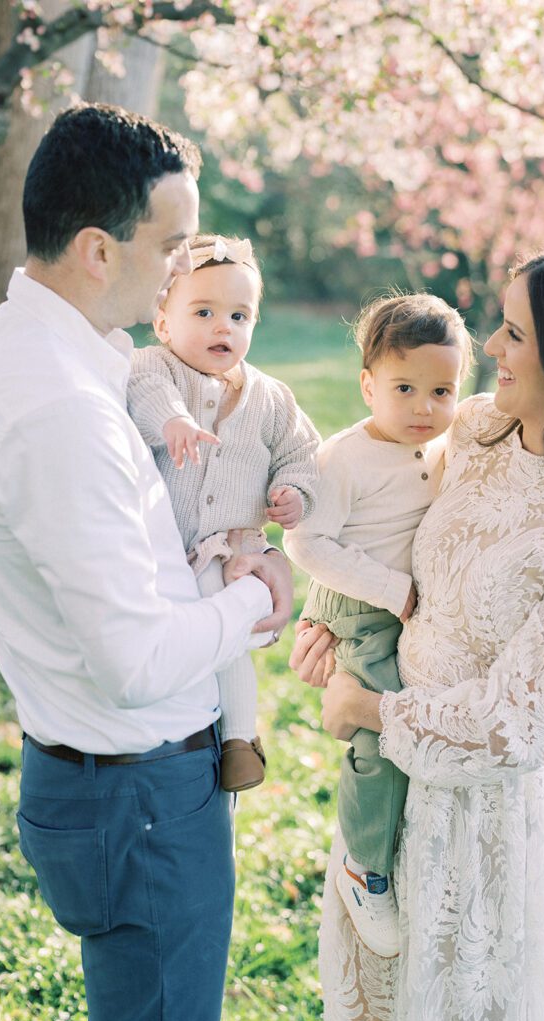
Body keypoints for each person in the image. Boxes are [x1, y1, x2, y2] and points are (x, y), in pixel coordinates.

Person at [0, 103, 293, 1021]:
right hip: (139, 795)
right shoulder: (58, 406)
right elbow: (136, 663)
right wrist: (254, 596)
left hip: (129, 785)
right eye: (175, 245)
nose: (187, 266)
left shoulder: (51, 349)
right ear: (100, 250)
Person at [290, 241, 544, 1021]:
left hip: (490, 817)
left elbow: (513, 725)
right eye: (500, 325)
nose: (490, 347)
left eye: (516, 334)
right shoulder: (474, 429)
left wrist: (365, 711)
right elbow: (380, 526)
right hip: (391, 786)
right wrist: (326, 616)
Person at [284, 293, 472, 957]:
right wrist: (392, 590)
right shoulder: (345, 458)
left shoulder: (444, 445)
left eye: (442, 390)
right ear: (368, 386)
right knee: (377, 728)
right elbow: (306, 544)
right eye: (404, 388)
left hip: (402, 604)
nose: (425, 407)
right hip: (357, 606)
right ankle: (365, 866)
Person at [127, 232, 319, 792]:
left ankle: (239, 737)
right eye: (203, 311)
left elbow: (302, 454)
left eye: (239, 315)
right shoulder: (155, 366)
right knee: (174, 635)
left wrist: (293, 493)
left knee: (227, 617)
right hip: (163, 546)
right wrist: (173, 423)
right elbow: (144, 392)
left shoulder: (271, 397)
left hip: (231, 546)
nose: (223, 327)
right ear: (163, 321)